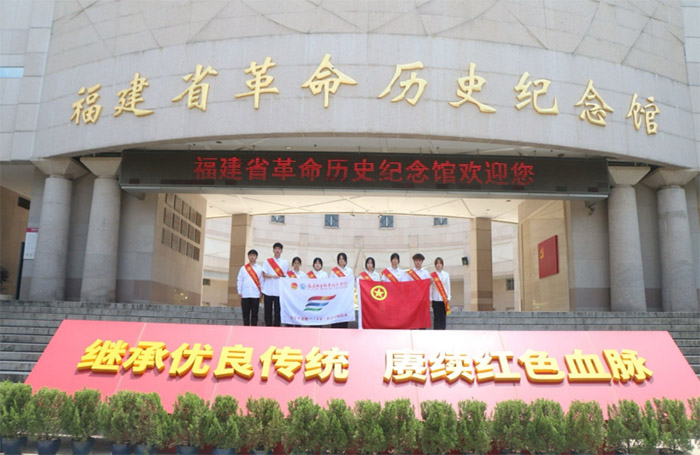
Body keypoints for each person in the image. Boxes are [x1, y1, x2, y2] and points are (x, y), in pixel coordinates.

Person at [261, 242, 289, 327]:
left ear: (281, 251)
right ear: (273, 250)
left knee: (278, 311)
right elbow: (264, 274)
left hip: (279, 291)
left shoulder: (285, 263)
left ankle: (277, 327)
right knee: (267, 310)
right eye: (276, 249)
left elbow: (285, 276)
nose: (277, 250)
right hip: (268, 290)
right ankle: (268, 326)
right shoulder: (267, 262)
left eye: (279, 249)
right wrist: (272, 276)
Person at [236, 249, 262, 326]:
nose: (252, 257)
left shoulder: (260, 269)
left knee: (255, 314)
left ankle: (253, 329)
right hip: (245, 294)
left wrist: (261, 292)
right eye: (250, 255)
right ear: (248, 257)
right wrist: (239, 291)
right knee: (245, 314)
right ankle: (245, 328)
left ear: (256, 257)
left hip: (255, 294)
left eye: (254, 255)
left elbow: (262, 281)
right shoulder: (243, 268)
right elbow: (240, 280)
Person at [330, 252, 353, 328]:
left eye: (343, 258)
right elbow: (331, 283)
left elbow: (351, 283)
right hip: (336, 296)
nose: (341, 260)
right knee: (335, 314)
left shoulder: (349, 271)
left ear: (345, 260)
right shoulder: (333, 271)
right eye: (340, 259)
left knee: (344, 315)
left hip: (345, 297)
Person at [430, 257, 451, 330]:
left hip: (443, 299)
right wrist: (430, 298)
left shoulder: (446, 274)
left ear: (442, 265)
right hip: (435, 299)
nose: (438, 265)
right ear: (435, 265)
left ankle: (443, 332)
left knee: (443, 317)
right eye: (437, 263)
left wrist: (448, 297)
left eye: (440, 263)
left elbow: (448, 286)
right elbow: (431, 288)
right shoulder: (432, 275)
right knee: (436, 317)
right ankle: (436, 332)